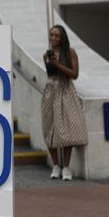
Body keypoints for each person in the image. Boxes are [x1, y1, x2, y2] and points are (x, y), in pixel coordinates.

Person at [41, 24, 88, 181]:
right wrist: (52, 65)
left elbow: (75, 74)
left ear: (62, 38)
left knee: (68, 128)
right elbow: (50, 75)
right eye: (51, 35)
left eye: (56, 36)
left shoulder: (70, 52)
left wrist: (59, 65)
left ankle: (66, 167)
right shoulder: (46, 55)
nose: (53, 38)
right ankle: (56, 165)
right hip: (50, 91)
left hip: (66, 89)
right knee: (49, 128)